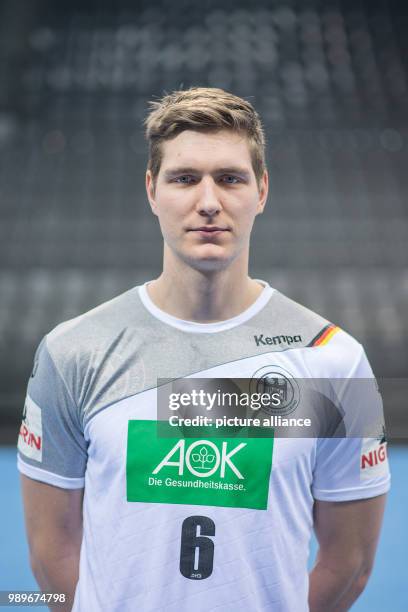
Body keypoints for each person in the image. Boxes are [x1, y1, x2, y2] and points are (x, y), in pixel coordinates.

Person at [18, 87, 390, 612]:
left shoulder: (331, 359)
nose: (209, 201)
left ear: (261, 191)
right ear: (152, 190)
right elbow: (48, 554)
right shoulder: (73, 351)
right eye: (185, 178)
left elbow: (348, 564)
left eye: (231, 178)